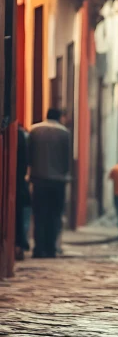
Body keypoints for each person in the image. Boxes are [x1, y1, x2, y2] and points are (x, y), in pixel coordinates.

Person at [29, 107, 71, 259]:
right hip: (57, 181)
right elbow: (67, 158)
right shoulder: (64, 132)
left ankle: (38, 248)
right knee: (54, 215)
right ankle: (51, 248)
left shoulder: (34, 130)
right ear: (59, 116)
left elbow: (29, 154)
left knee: (39, 215)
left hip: (39, 179)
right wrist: (65, 173)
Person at [15, 124, 30, 260]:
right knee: (22, 215)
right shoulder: (21, 136)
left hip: (17, 182)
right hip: (19, 183)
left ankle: (20, 244)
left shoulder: (19, 135)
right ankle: (20, 244)